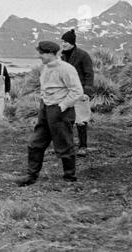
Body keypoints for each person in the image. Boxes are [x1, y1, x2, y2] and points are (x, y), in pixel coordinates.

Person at [12, 41, 83, 187]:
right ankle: (31, 176)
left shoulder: (66, 69)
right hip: (45, 108)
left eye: (42, 53)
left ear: (51, 53)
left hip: (61, 110)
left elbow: (77, 91)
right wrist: (44, 103)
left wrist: (62, 106)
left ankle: (70, 177)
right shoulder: (45, 68)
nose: (40, 56)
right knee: (35, 143)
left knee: (64, 143)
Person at [60, 29, 94, 157]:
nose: (63, 44)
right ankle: (66, 146)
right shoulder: (61, 56)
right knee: (64, 119)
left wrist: (87, 92)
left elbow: (89, 74)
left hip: (80, 92)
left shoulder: (83, 55)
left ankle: (83, 146)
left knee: (81, 119)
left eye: (66, 42)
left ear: (72, 42)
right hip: (65, 92)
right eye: (62, 41)